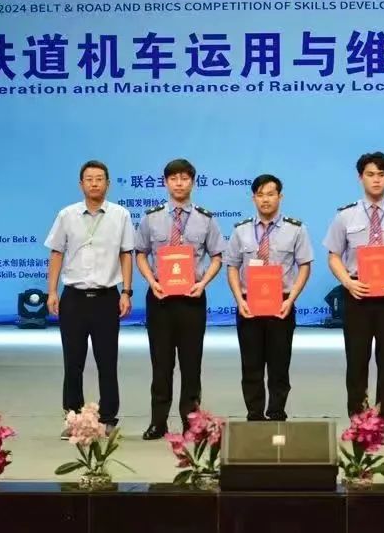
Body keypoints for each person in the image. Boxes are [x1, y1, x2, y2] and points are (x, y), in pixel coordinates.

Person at [322, 152, 384, 441]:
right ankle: (358, 419)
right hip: (358, 294)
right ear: (360, 177)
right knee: (357, 360)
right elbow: (333, 255)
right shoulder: (345, 215)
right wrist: (347, 283)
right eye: (370, 174)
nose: (376, 180)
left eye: (381, 175)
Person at [134, 158, 225, 440]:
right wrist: (151, 282)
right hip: (160, 298)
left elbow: (217, 256)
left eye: (184, 178)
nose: (179, 184)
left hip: (192, 299)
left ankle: (191, 423)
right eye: (173, 179)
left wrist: (203, 283)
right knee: (161, 364)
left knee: (191, 363)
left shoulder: (206, 219)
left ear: (192, 182)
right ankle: (158, 422)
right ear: (165, 183)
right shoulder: (151, 218)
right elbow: (140, 253)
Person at [44, 160, 134, 438]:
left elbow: (126, 253)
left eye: (99, 179)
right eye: (89, 179)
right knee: (73, 362)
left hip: (107, 298)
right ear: (81, 184)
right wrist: (52, 291)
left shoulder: (121, 215)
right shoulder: (66, 215)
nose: (94, 183)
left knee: (107, 361)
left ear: (108, 183)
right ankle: (73, 418)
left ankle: (108, 418)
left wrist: (126, 291)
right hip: (74, 298)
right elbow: (56, 253)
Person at [224, 174, 313, 421]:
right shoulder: (241, 230)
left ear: (280, 197)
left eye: (271, 194)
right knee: (250, 364)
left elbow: (305, 265)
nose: (265, 200)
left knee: (279, 364)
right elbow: (231, 266)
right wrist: (239, 300)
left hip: (281, 304)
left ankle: (276, 412)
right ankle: (254, 414)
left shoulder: (296, 229)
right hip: (248, 303)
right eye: (260, 195)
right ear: (253, 198)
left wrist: (291, 299)